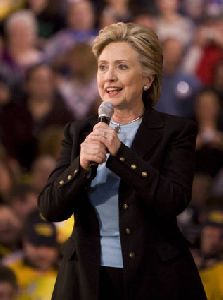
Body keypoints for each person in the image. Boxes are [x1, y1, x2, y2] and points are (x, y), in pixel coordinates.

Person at [38, 22, 207, 300]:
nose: (109, 77)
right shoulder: (78, 131)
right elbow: (50, 209)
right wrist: (79, 167)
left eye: (122, 67)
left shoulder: (175, 131)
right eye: (103, 67)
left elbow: (173, 200)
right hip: (87, 279)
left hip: (155, 277)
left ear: (147, 79)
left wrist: (121, 155)